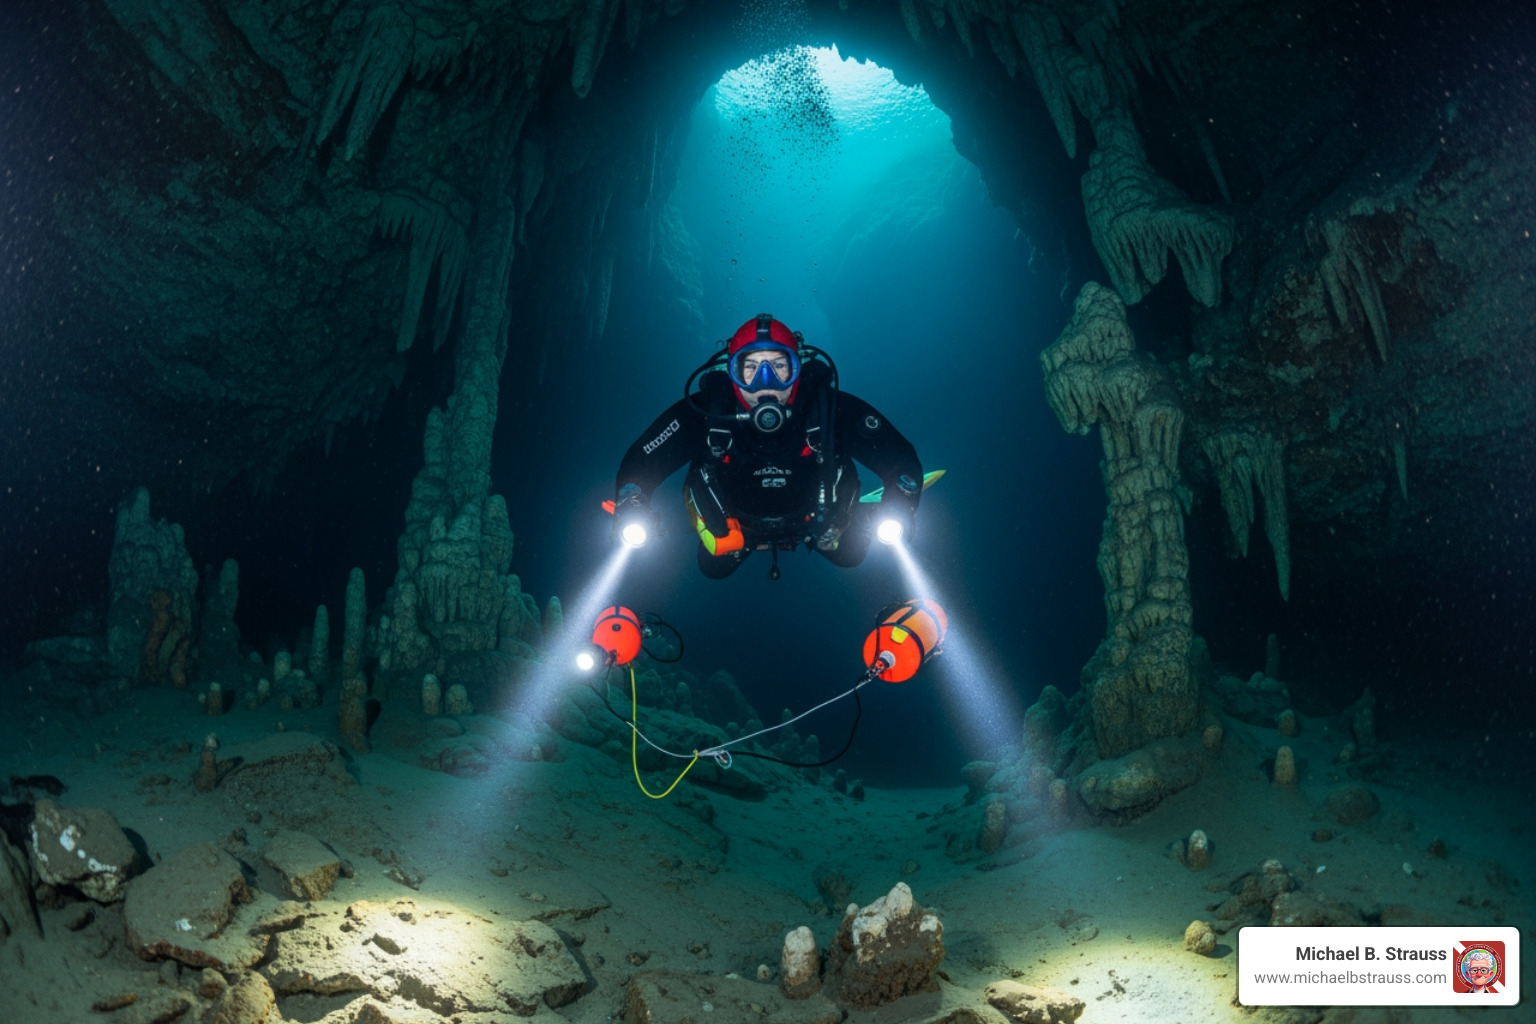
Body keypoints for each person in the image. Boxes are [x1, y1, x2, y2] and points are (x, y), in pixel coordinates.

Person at [613, 313, 924, 579]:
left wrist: (900, 504)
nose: (766, 382)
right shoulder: (706, 411)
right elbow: (642, 460)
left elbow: (898, 457)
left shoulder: (829, 409)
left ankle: (858, 514)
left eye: (779, 366)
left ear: (797, 370)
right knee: (712, 568)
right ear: (732, 373)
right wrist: (632, 502)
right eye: (750, 369)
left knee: (851, 556)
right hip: (735, 528)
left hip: (820, 523)